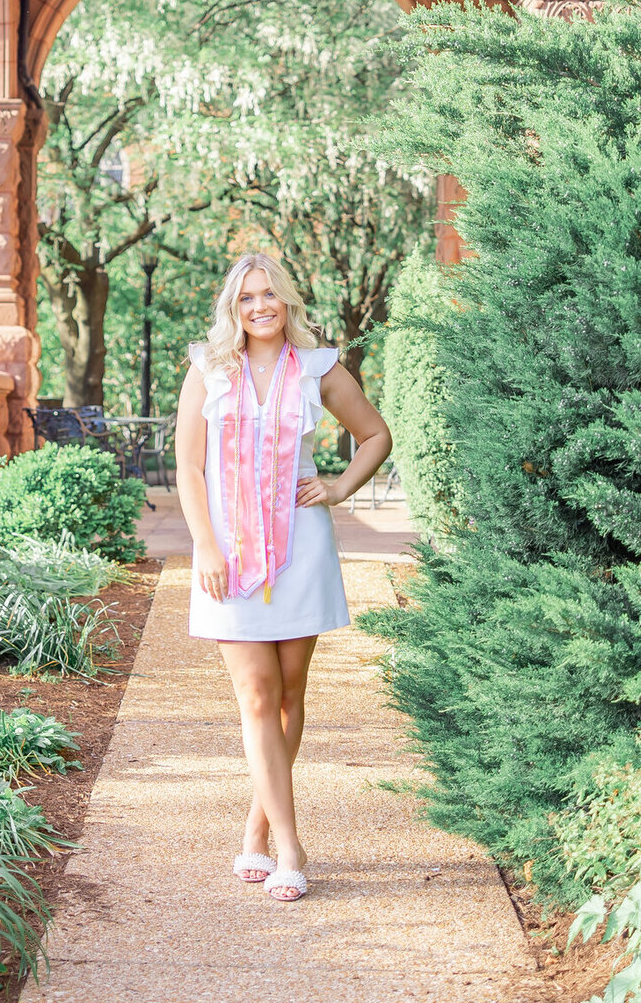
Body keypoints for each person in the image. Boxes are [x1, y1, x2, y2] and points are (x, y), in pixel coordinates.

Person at [175, 251, 392, 903]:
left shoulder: (320, 371)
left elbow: (375, 435)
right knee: (258, 698)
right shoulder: (207, 370)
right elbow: (189, 469)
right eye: (247, 298)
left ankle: (255, 831)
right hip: (228, 560)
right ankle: (292, 847)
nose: (260, 306)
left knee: (292, 697)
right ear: (232, 308)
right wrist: (205, 547)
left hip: (302, 554)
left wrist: (338, 486)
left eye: (269, 294)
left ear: (287, 300)